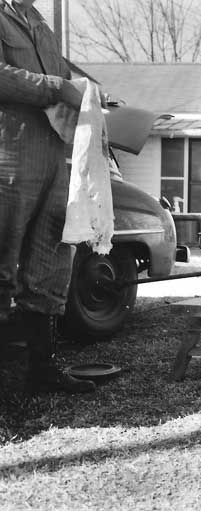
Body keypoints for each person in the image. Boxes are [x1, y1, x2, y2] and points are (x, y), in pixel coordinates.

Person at [0, 0, 95, 393]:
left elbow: (65, 81)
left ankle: (42, 369)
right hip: (8, 156)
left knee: (50, 259)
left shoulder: (40, 23)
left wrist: (90, 96)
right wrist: (59, 88)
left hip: (54, 156)